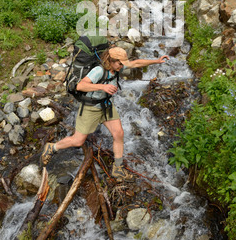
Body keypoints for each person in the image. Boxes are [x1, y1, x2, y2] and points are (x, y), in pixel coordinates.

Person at [41, 46, 169, 182]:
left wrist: (156, 61)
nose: (122, 66)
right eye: (120, 63)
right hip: (91, 108)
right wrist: (103, 86)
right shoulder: (98, 71)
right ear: (111, 60)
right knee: (78, 140)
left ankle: (118, 169)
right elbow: (81, 86)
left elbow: (135, 63)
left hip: (106, 105)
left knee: (119, 133)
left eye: (123, 63)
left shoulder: (118, 67)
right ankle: (52, 147)